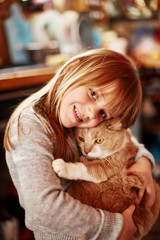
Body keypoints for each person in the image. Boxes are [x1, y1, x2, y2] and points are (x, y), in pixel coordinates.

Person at [4, 49, 155, 240]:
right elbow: (42, 207)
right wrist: (115, 227)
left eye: (103, 114)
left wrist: (144, 162)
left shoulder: (75, 116)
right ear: (72, 69)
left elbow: (123, 138)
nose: (92, 113)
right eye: (93, 94)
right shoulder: (31, 125)